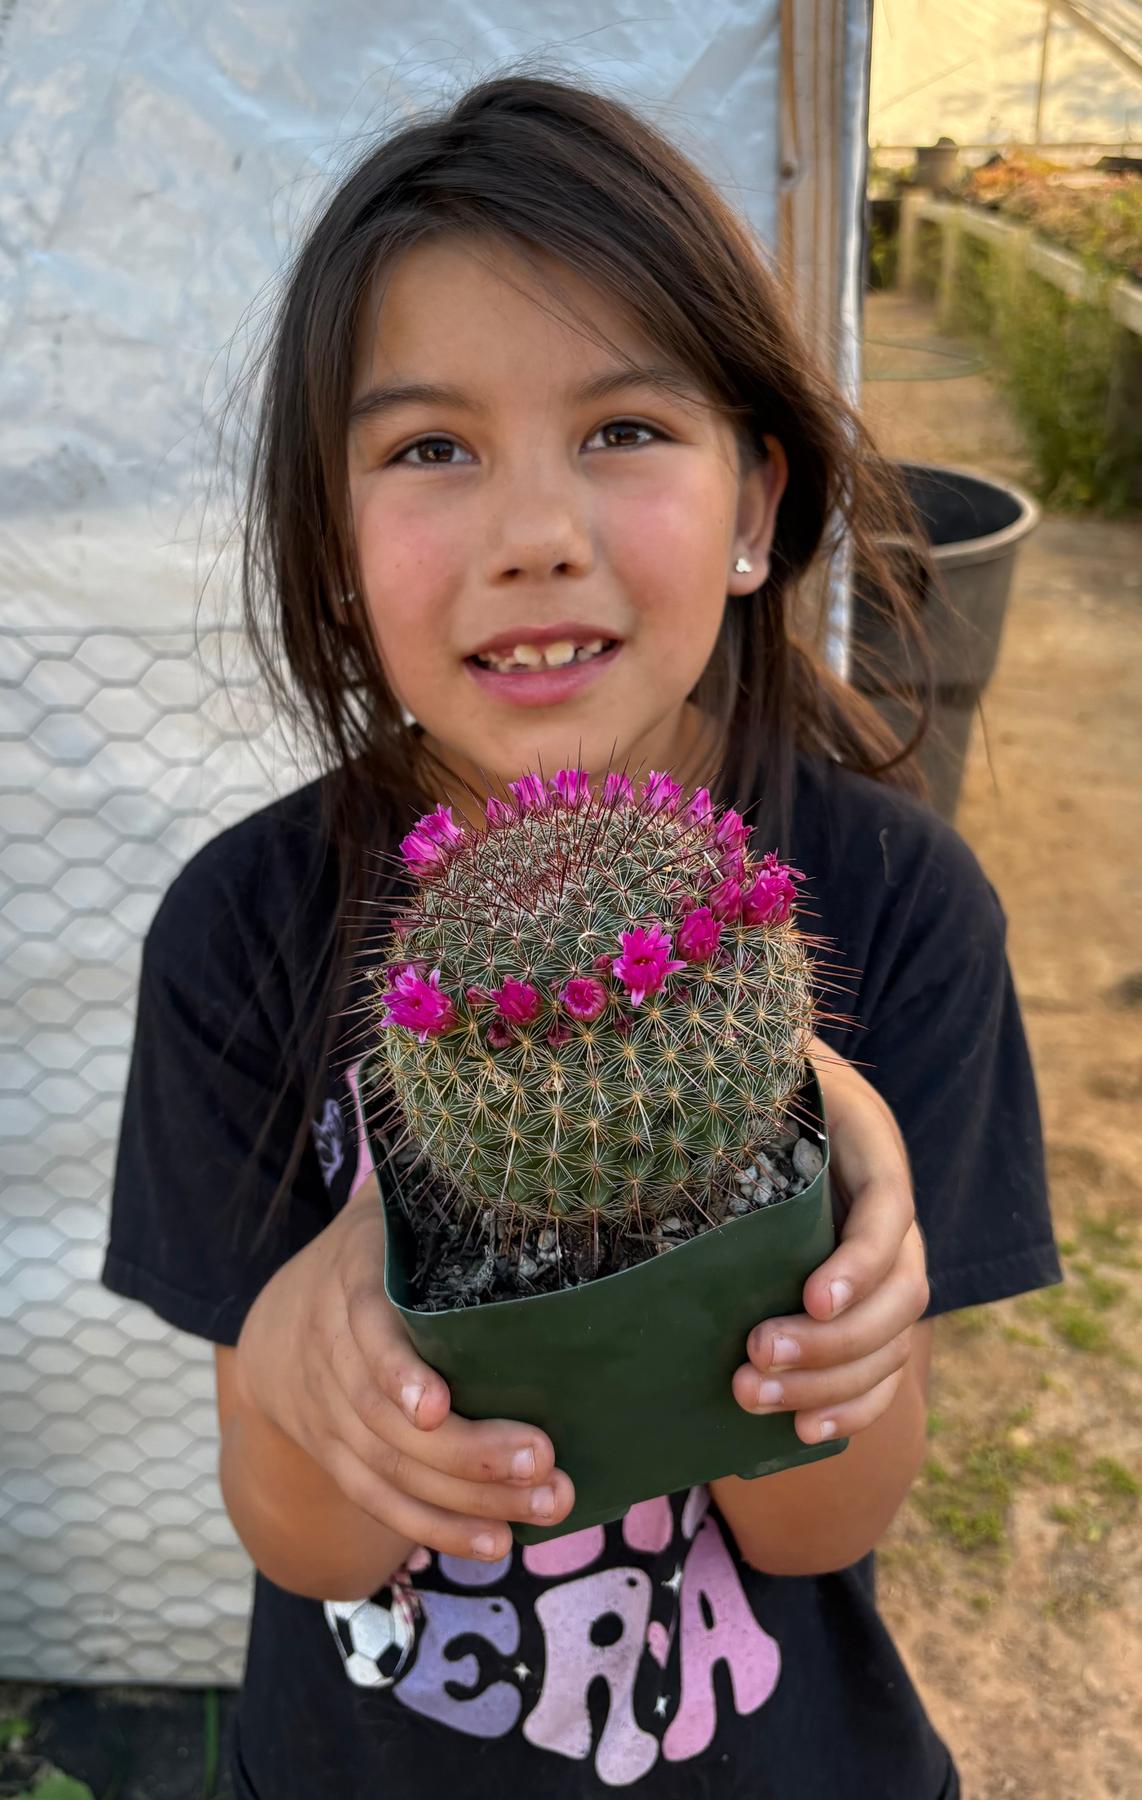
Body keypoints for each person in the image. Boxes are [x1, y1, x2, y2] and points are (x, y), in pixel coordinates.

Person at [100, 70, 1062, 1799]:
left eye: (622, 429)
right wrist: (322, 1358)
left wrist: (816, 1246)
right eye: (429, 449)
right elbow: (306, 1546)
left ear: (755, 507)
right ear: (332, 544)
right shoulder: (240, 930)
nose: (536, 537)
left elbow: (820, 1527)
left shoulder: (897, 904)